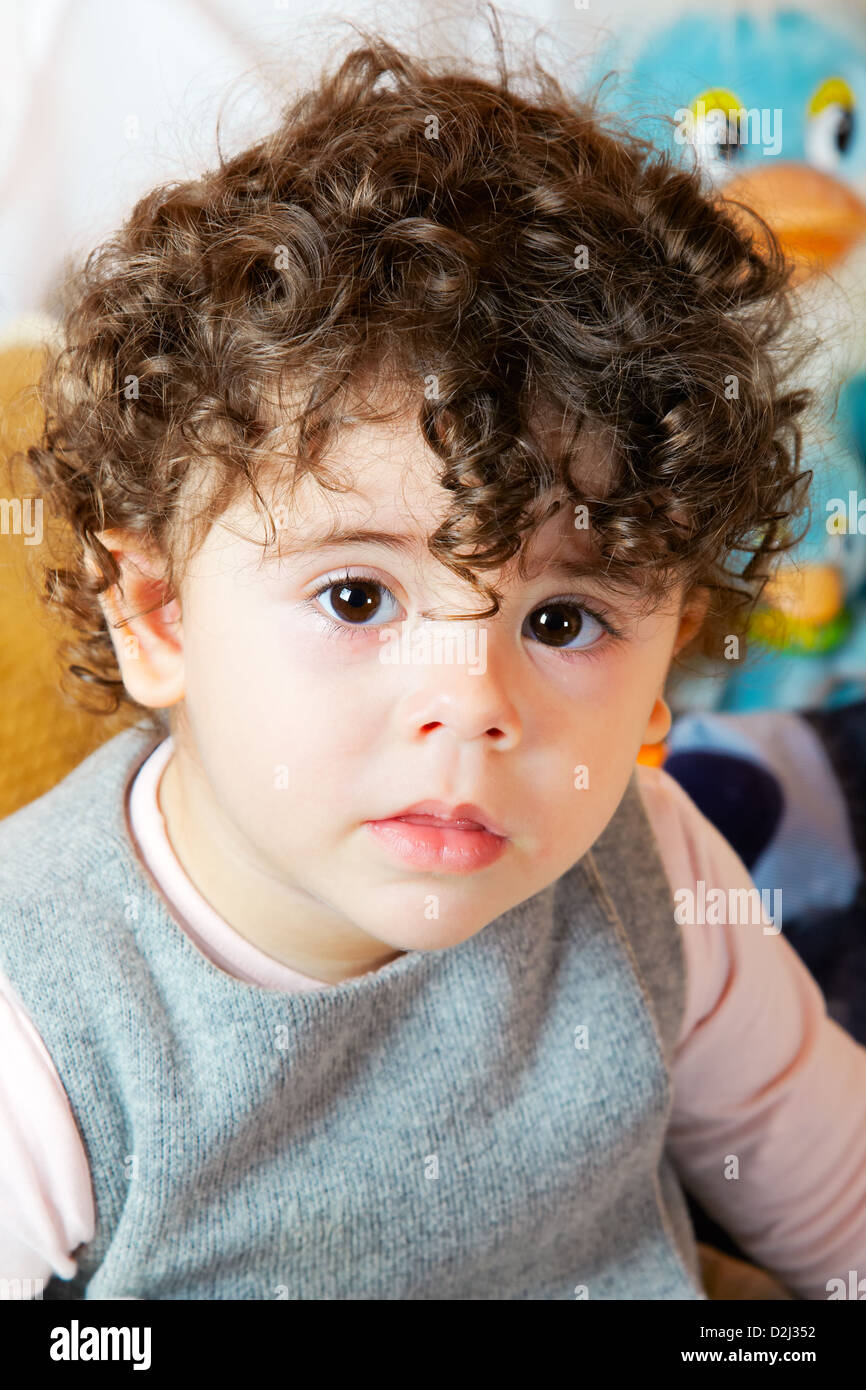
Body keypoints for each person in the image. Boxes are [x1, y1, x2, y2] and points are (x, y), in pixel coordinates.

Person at [1, 19, 864, 1301]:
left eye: (563, 621)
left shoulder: (656, 875)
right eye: (356, 594)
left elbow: (840, 1217)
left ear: (668, 646)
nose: (472, 706)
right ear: (160, 612)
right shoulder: (44, 1017)